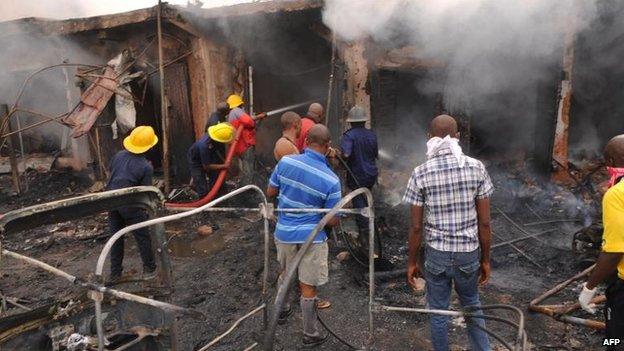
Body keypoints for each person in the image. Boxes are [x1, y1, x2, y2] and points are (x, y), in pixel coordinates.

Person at [404, 115, 493, 351]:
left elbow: (415, 227)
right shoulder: (477, 167)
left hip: (437, 256)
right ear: (458, 137)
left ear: (428, 137)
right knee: (472, 306)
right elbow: (484, 223)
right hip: (468, 254)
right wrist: (485, 259)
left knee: (439, 312)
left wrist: (411, 262)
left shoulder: (420, 172)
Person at [267, 124, 342, 348]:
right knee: (308, 285)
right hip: (313, 238)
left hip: (285, 232)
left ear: (306, 141)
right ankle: (310, 333)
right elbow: (333, 220)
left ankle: (282, 311)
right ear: (328, 147)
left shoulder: (286, 162)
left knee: (285, 273)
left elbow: (271, 192)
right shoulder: (331, 179)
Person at [578, 135, 624, 349]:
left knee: (615, 339)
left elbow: (615, 251)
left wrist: (589, 288)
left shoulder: (616, 195)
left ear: (612, 163)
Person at [106, 126, 159, 282]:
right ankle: (149, 270)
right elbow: (145, 194)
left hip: (111, 200)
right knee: (143, 237)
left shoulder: (119, 155)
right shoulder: (145, 167)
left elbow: (110, 173)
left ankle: (115, 274)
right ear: (149, 147)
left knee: (116, 238)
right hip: (130, 205)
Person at [339, 105, 378, 244]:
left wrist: (339, 156)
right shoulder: (372, 134)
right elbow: (374, 154)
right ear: (364, 121)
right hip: (371, 174)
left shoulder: (348, 136)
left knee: (359, 202)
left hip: (357, 174)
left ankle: (365, 236)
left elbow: (347, 154)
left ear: (350, 121)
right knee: (367, 198)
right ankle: (371, 227)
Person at [226, 94, 266, 185]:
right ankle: (248, 190)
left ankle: (247, 185)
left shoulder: (230, 115)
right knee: (248, 171)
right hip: (245, 145)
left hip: (239, 147)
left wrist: (257, 118)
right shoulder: (236, 111)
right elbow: (249, 121)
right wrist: (256, 118)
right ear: (238, 104)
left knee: (246, 168)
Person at [187, 122, 235, 197]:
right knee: (202, 188)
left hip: (208, 155)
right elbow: (207, 166)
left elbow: (216, 151)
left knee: (216, 179)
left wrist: (223, 163)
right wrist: (224, 166)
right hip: (196, 161)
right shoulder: (204, 146)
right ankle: (205, 204)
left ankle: (218, 197)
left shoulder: (215, 134)